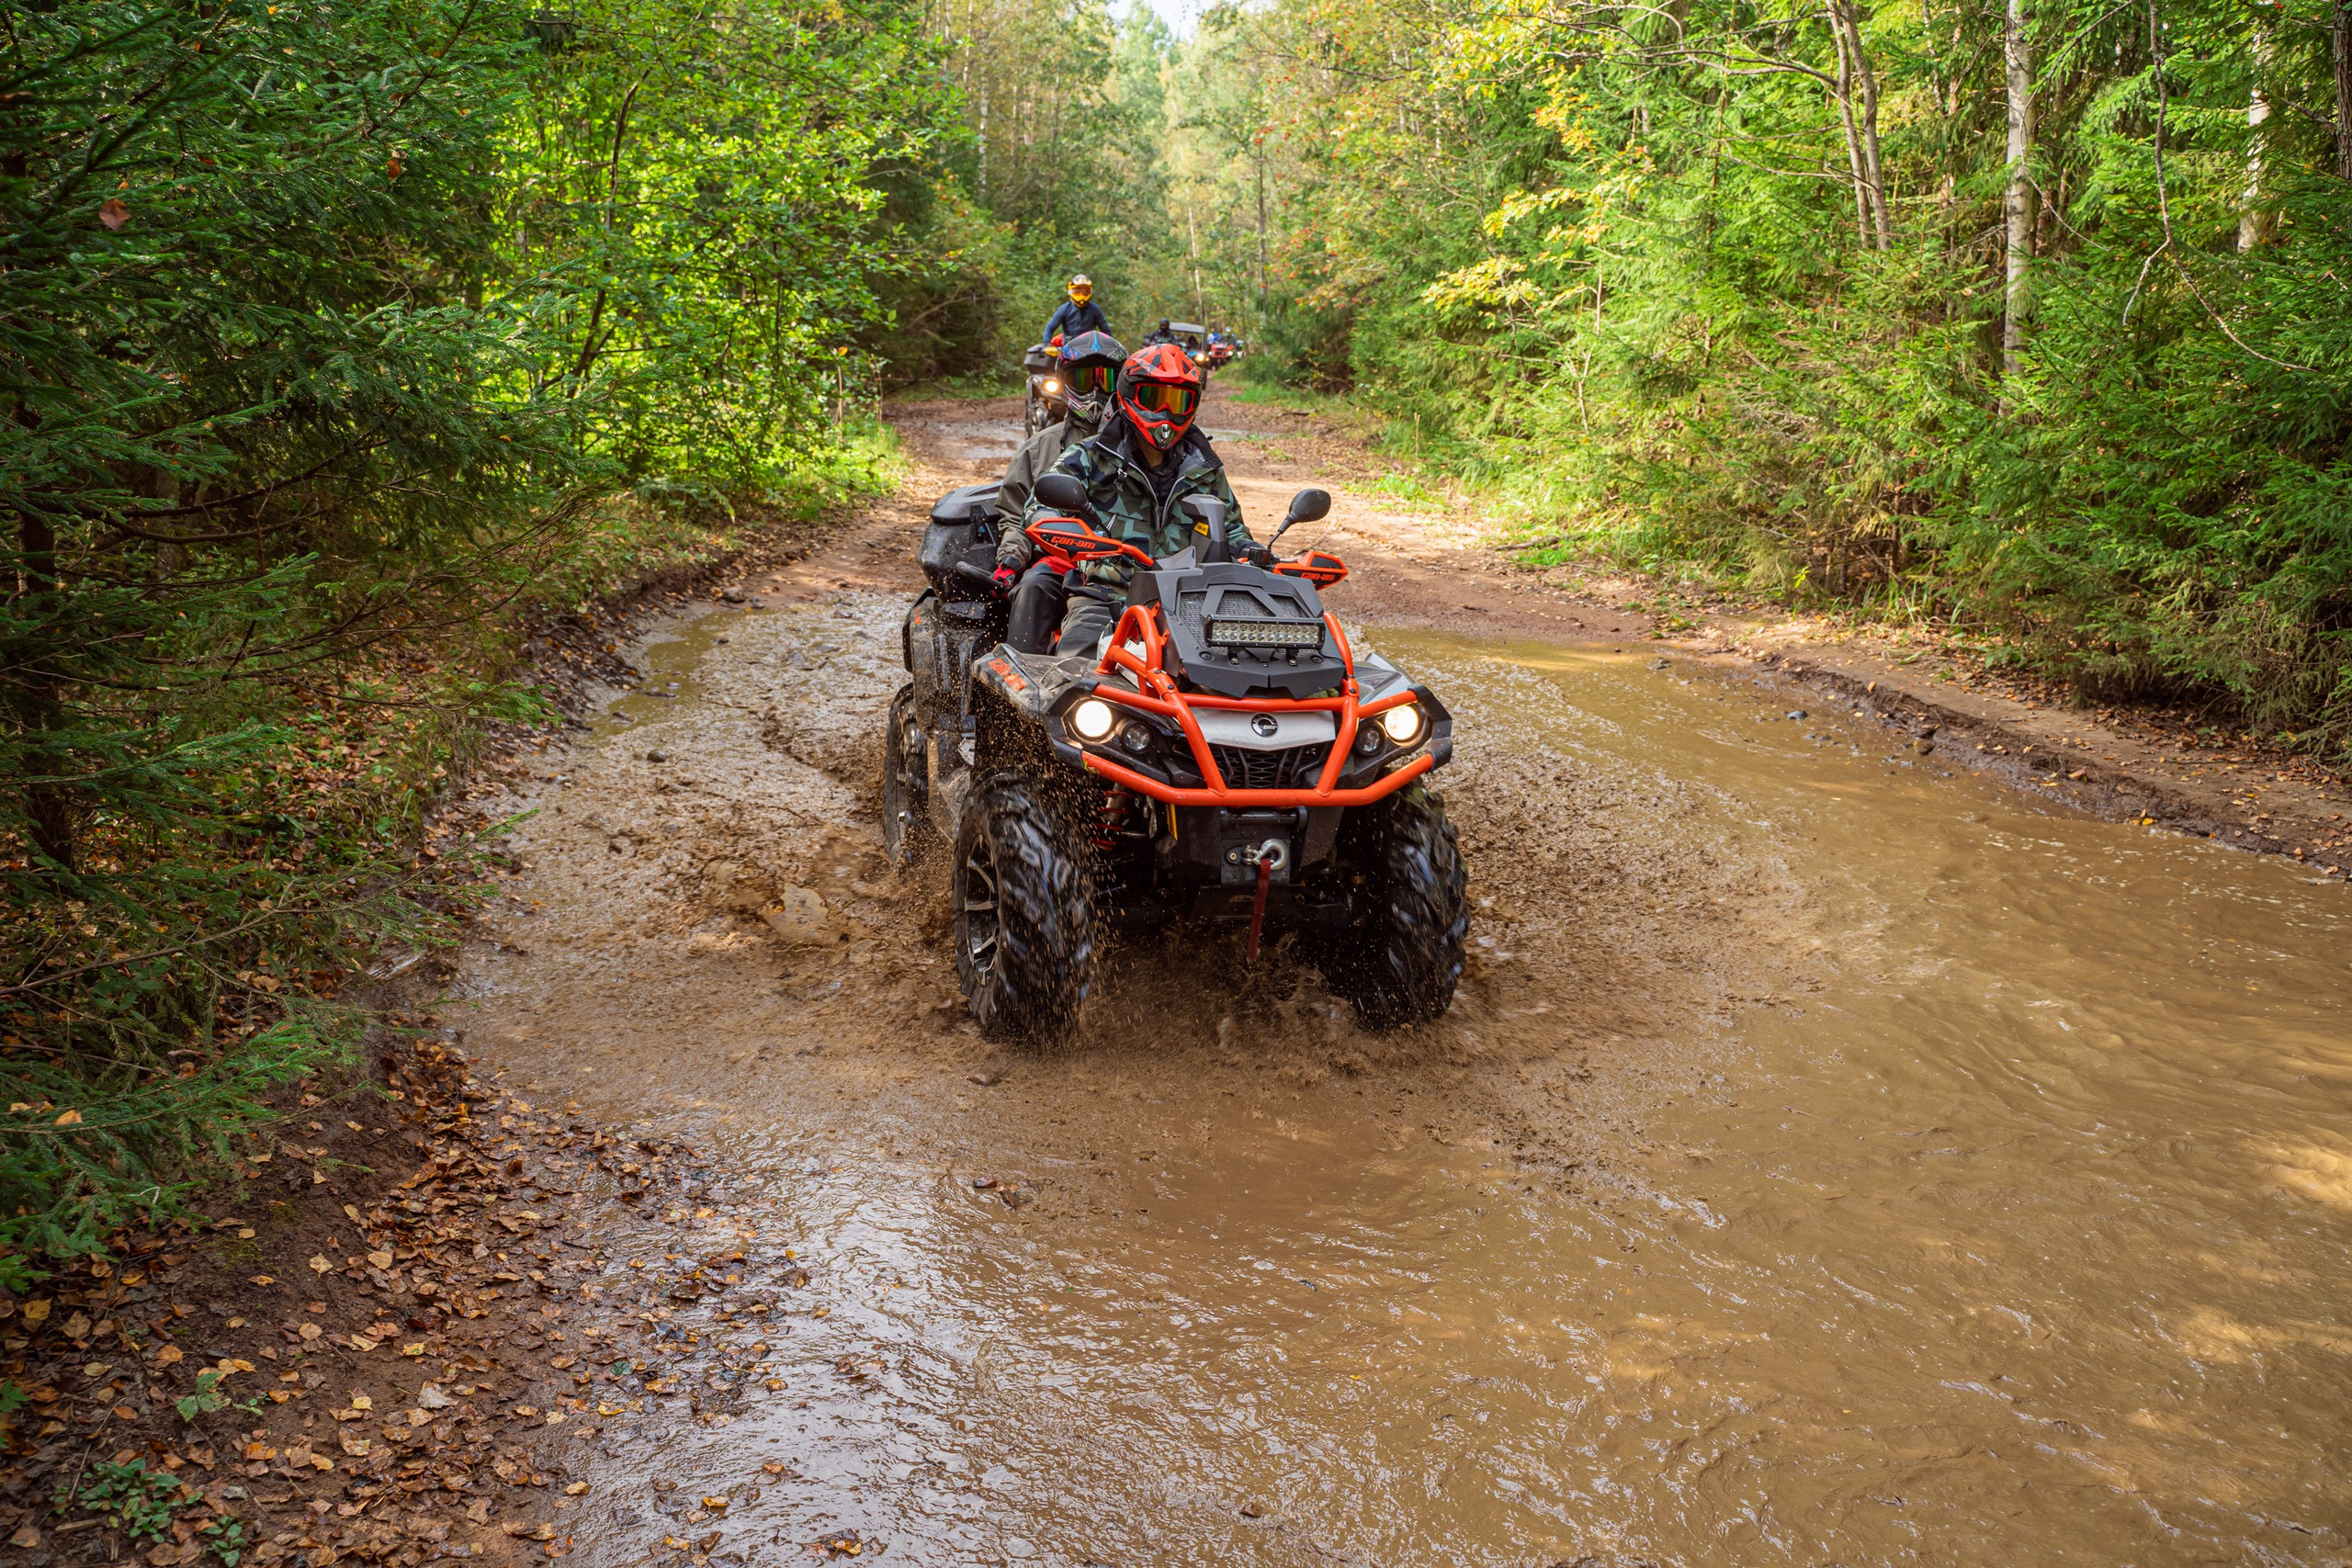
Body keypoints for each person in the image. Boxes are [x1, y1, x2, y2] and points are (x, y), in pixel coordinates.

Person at [1022, 343, 1265, 658]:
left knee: (1256, 669)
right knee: (1073, 679)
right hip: (1105, 596)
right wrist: (1074, 538)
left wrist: (1250, 549)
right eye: (1153, 398)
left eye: (1177, 401)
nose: (1165, 412)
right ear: (1128, 395)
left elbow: (1230, 527)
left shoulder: (1204, 467)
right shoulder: (1090, 456)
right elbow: (1039, 507)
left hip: (1191, 603)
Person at [993, 332, 1125, 649]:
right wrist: (1011, 559)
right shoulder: (1040, 447)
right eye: (1083, 379)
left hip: (1129, 562)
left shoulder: (1143, 446)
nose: (1095, 391)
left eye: (1105, 379)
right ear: (1066, 382)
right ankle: (1016, 688)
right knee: (1033, 588)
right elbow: (1015, 516)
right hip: (1061, 558)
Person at [1039, 275, 1106, 346]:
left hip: (1090, 350)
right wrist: (1047, 344)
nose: (1082, 295)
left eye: (1085, 291)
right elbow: (1050, 327)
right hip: (1068, 350)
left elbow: (1106, 331)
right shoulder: (1064, 309)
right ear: (1071, 291)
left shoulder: (1095, 309)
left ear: (1090, 291)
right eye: (1078, 291)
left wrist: (1110, 347)